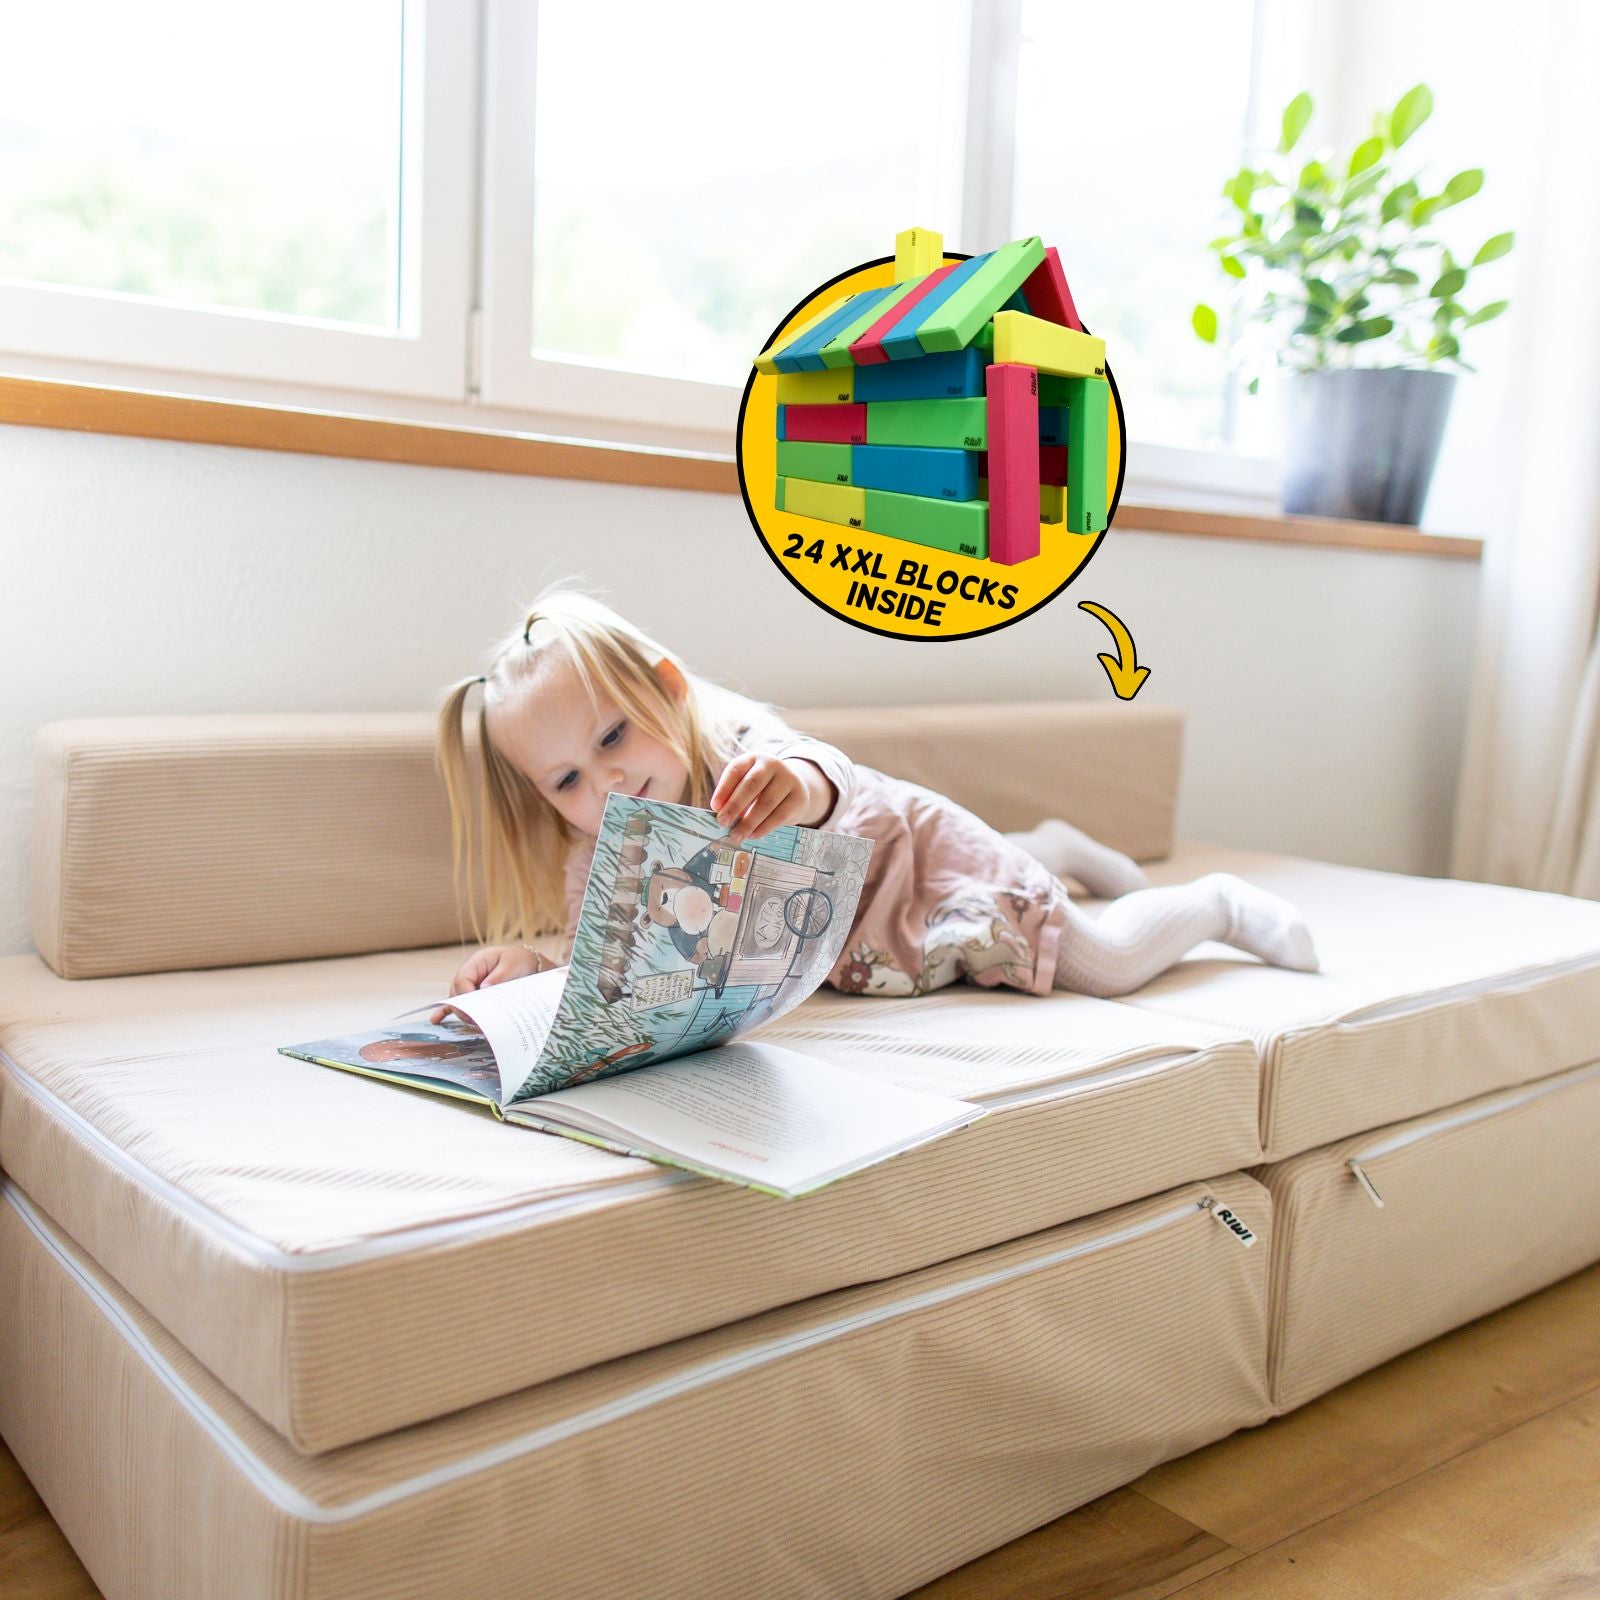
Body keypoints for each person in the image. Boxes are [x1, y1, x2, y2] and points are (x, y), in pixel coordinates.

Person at [429, 586, 1316, 1017]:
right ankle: (1048, 844)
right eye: (567, 781)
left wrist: (795, 790)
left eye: (613, 738)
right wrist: (533, 971)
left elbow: (825, 777)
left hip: (912, 861)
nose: (607, 783)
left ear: (666, 690)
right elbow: (610, 978)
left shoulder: (740, 755)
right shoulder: (608, 859)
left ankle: (1216, 904)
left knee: (1100, 967)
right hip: (856, 938)